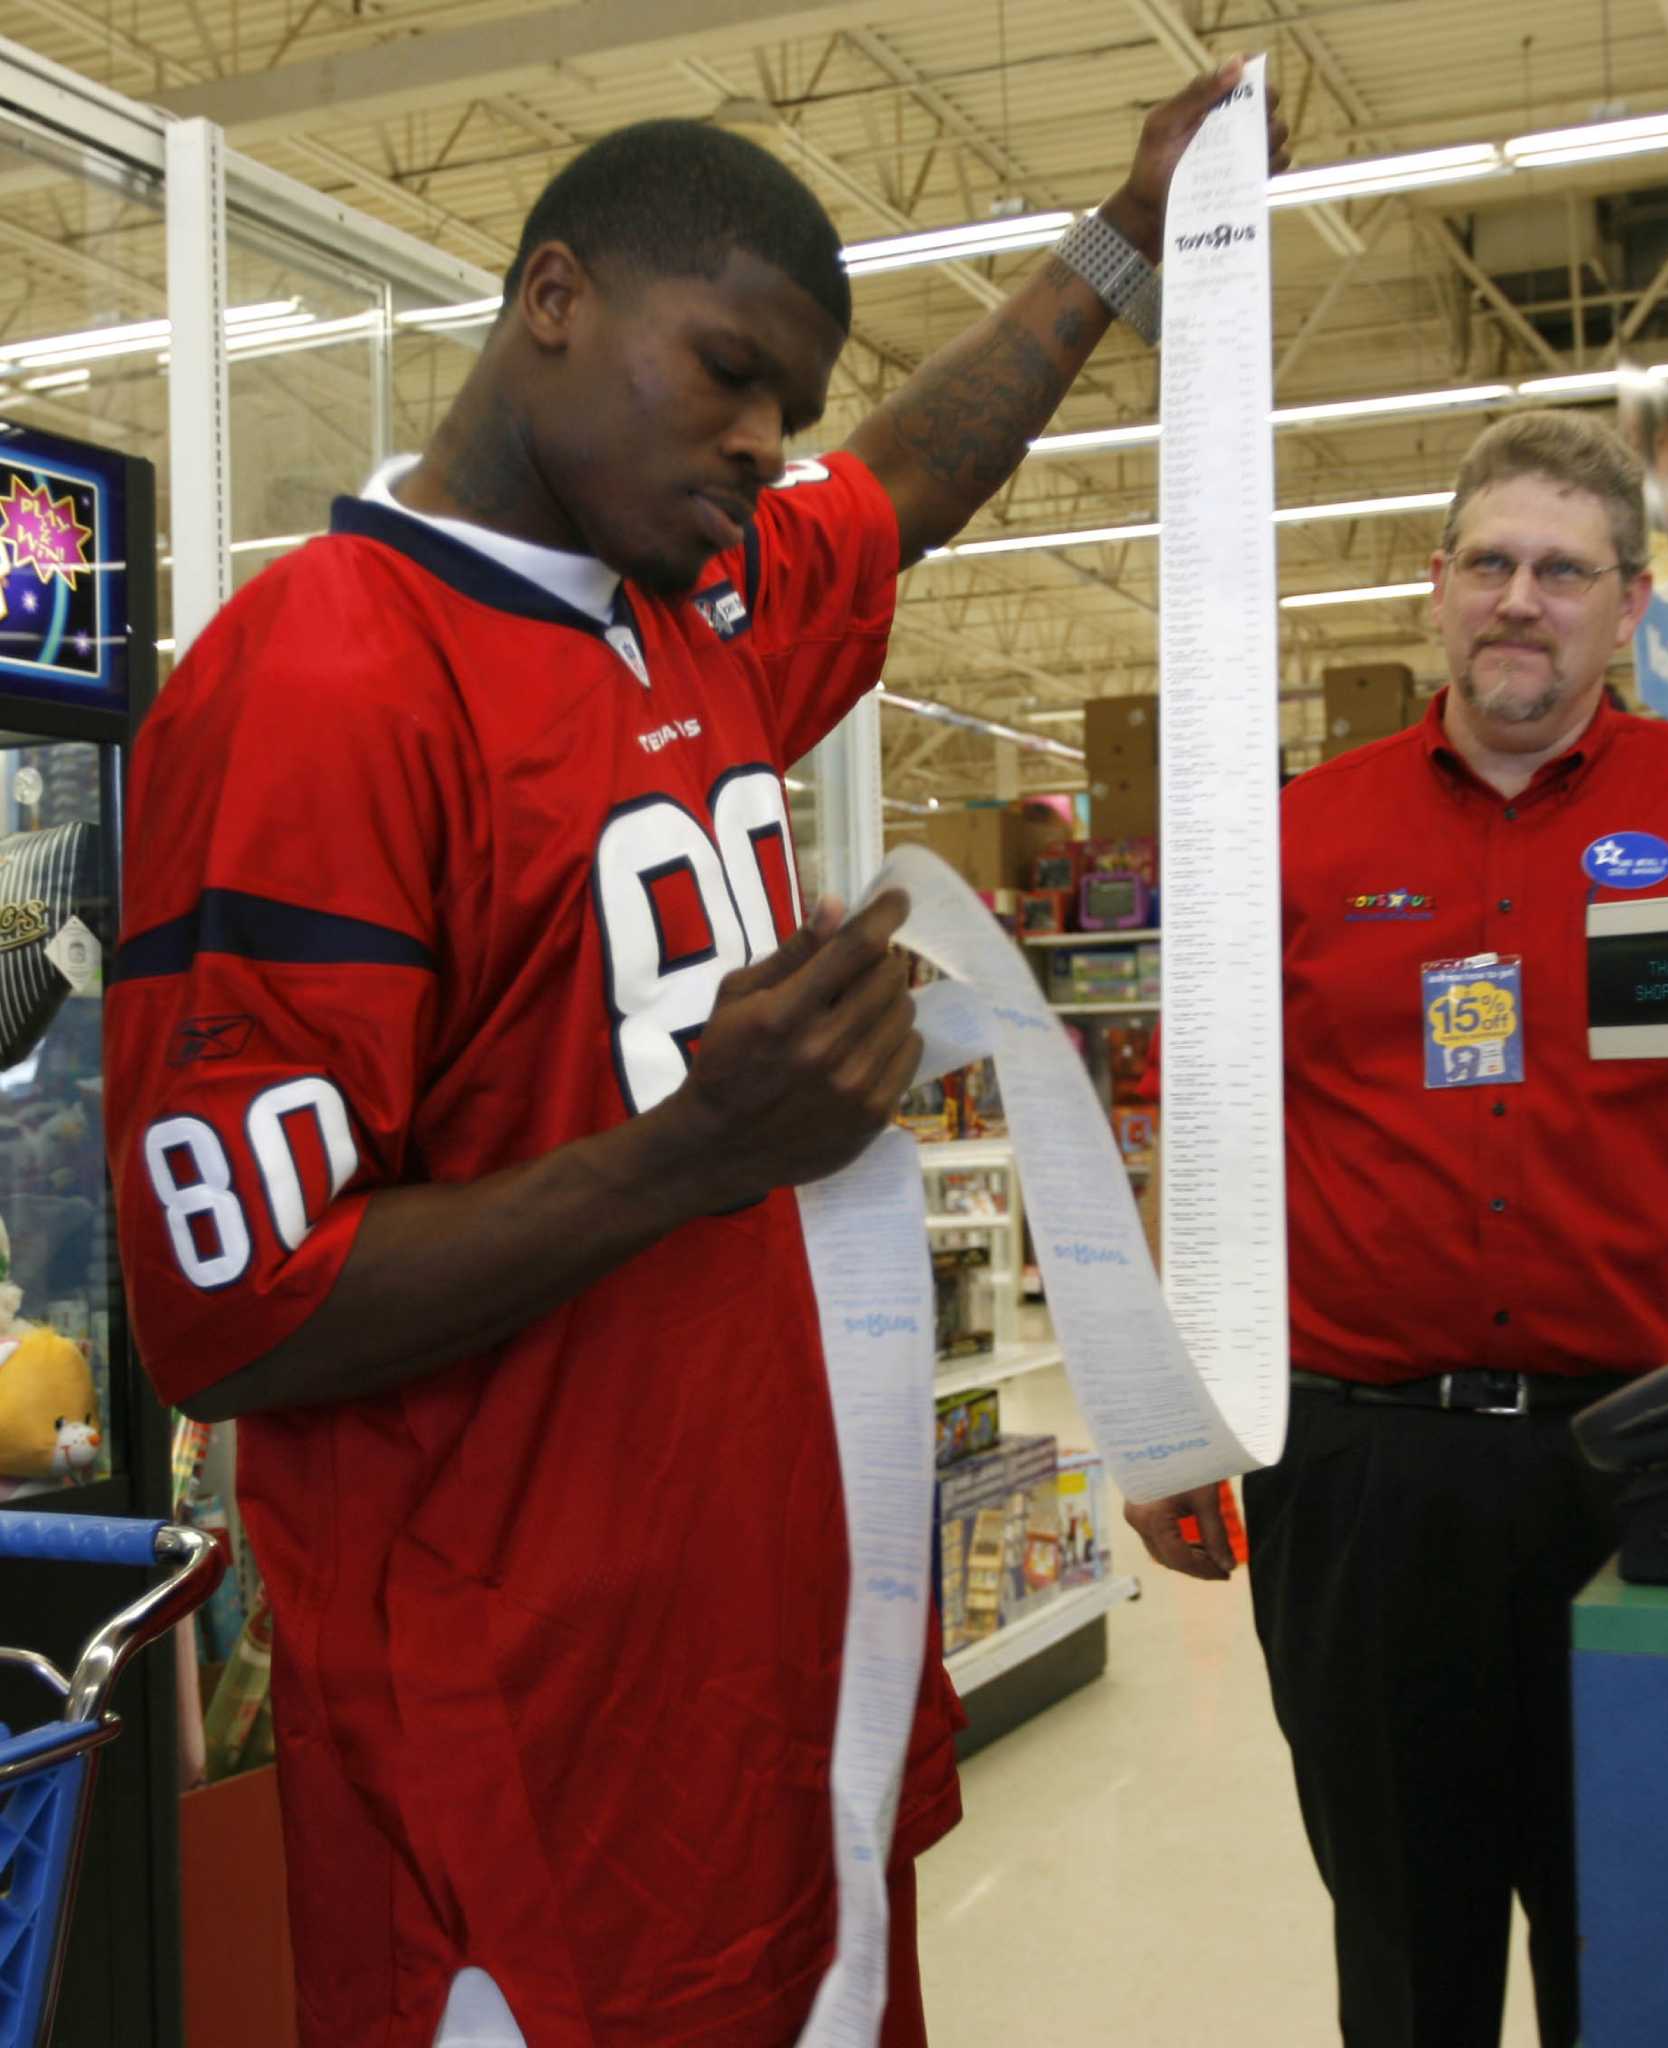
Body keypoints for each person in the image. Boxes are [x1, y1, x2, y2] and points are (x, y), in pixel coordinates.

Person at [106, 74, 1290, 2048]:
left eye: (784, 409)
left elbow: (905, 475)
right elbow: (234, 1314)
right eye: (727, 372)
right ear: (552, 297)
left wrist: (1119, 239)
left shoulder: (695, 600)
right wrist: (688, 1152)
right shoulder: (318, 679)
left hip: (762, 1711)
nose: (760, 442)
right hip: (509, 1776)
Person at [1124, 408, 1668, 2048]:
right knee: (1401, 1935)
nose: (1521, 599)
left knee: (1639, 1928)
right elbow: (1201, 1141)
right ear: (1432, 589)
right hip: (1364, 1477)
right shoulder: (1297, 838)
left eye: (1562, 570)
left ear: (1625, 603)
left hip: (1660, 1466)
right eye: (1489, 563)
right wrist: (1162, 1425)